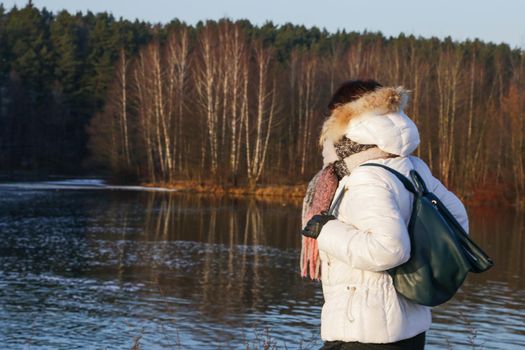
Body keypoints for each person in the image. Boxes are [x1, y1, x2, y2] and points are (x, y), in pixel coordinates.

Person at [301, 80, 469, 350]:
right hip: (406, 329)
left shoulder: (367, 175)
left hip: (366, 334)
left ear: (346, 119)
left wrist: (326, 230)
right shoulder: (412, 167)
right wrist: (420, 257)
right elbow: (458, 221)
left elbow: (390, 249)